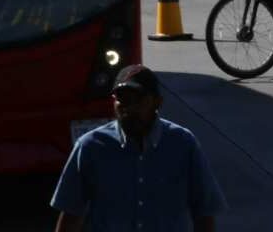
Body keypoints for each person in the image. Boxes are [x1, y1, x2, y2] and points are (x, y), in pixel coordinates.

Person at [52, 64, 226, 232]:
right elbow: (70, 215)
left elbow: (204, 213)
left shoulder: (183, 144)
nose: (129, 108)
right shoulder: (90, 147)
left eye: (139, 100)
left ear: (157, 103)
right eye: (123, 100)